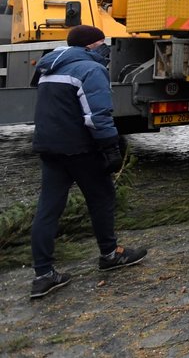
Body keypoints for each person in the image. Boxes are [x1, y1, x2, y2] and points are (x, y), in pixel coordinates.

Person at [29, 25, 147, 299]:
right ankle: (109, 254)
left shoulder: (48, 67)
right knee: (102, 198)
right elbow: (97, 115)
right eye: (101, 44)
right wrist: (110, 147)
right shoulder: (90, 70)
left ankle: (43, 275)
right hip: (80, 149)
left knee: (48, 209)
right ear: (90, 46)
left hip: (49, 147)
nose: (105, 48)